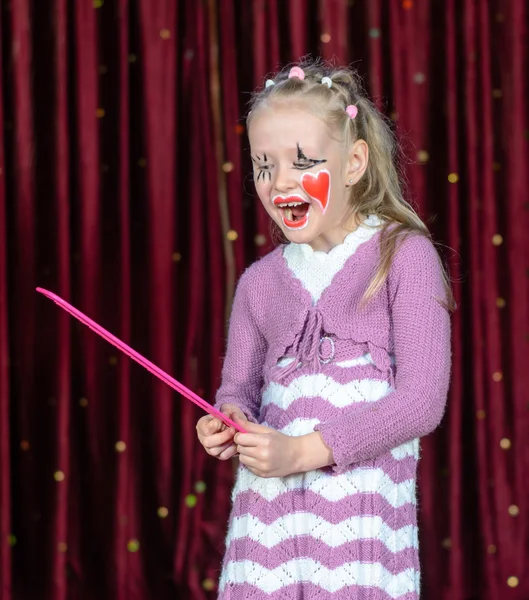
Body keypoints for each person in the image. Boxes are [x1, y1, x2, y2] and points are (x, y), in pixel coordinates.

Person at [196, 58, 453, 599]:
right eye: (263, 166)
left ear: (355, 161)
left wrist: (302, 452)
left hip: (359, 536)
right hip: (269, 532)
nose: (279, 182)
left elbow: (422, 401)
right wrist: (229, 420)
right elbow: (237, 390)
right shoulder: (258, 284)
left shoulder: (402, 257)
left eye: (303, 160)